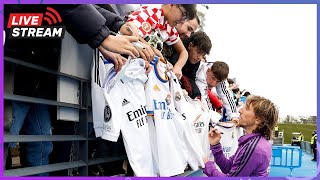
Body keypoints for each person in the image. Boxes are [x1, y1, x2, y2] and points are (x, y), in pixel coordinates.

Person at [203, 95, 279, 177]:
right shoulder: (253, 142)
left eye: (246, 108)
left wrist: (207, 165)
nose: (240, 111)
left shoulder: (253, 147)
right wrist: (216, 145)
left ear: (258, 119)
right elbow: (228, 167)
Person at [127, 4, 197, 79]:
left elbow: (184, 52)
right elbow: (129, 33)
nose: (182, 22)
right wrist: (158, 54)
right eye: (183, 15)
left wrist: (178, 67)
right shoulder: (151, 12)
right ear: (172, 4)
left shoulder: (168, 26)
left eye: (186, 19)